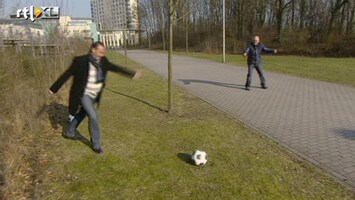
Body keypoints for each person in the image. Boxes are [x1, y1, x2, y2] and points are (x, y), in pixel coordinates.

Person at [49, 41, 141, 154]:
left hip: (94, 95)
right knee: (93, 116)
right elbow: (67, 74)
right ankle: (96, 145)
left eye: (103, 52)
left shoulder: (103, 61)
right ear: (93, 50)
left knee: (83, 113)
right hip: (83, 94)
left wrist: (132, 74)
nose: (102, 54)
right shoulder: (80, 61)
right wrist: (54, 88)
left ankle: (69, 132)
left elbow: (115, 68)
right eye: (100, 52)